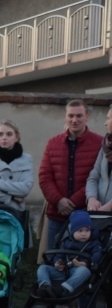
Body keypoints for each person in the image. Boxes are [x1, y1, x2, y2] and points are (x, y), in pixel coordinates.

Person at [39, 99, 103, 250]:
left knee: (83, 263)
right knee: (53, 261)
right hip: (56, 214)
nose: (74, 120)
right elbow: (45, 176)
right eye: (71, 116)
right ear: (65, 117)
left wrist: (72, 202)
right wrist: (59, 200)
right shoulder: (52, 143)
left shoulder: (99, 143)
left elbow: (97, 177)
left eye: (79, 116)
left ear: (87, 116)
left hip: (85, 217)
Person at [36, 210, 102, 299]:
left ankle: (63, 289)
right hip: (64, 270)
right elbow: (59, 255)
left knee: (84, 271)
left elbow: (97, 255)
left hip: (79, 272)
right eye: (80, 230)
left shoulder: (94, 243)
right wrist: (57, 263)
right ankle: (45, 287)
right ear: (72, 231)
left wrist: (87, 263)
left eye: (87, 230)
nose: (84, 234)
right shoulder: (66, 242)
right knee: (43, 267)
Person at [86, 104, 112, 212]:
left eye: (109, 118)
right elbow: (94, 176)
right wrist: (91, 198)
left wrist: (108, 208)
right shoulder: (106, 146)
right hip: (102, 215)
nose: (105, 123)